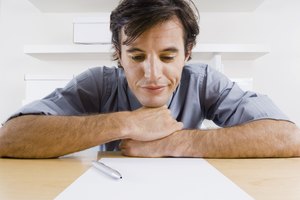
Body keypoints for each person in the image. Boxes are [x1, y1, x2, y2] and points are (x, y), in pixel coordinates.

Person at [0, 0, 299, 159]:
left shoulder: (204, 81)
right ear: (118, 54)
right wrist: (128, 123)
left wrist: (175, 143)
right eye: (137, 56)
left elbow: (288, 138)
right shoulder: (97, 83)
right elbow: (9, 138)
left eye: (168, 57)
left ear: (188, 53)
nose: (153, 75)